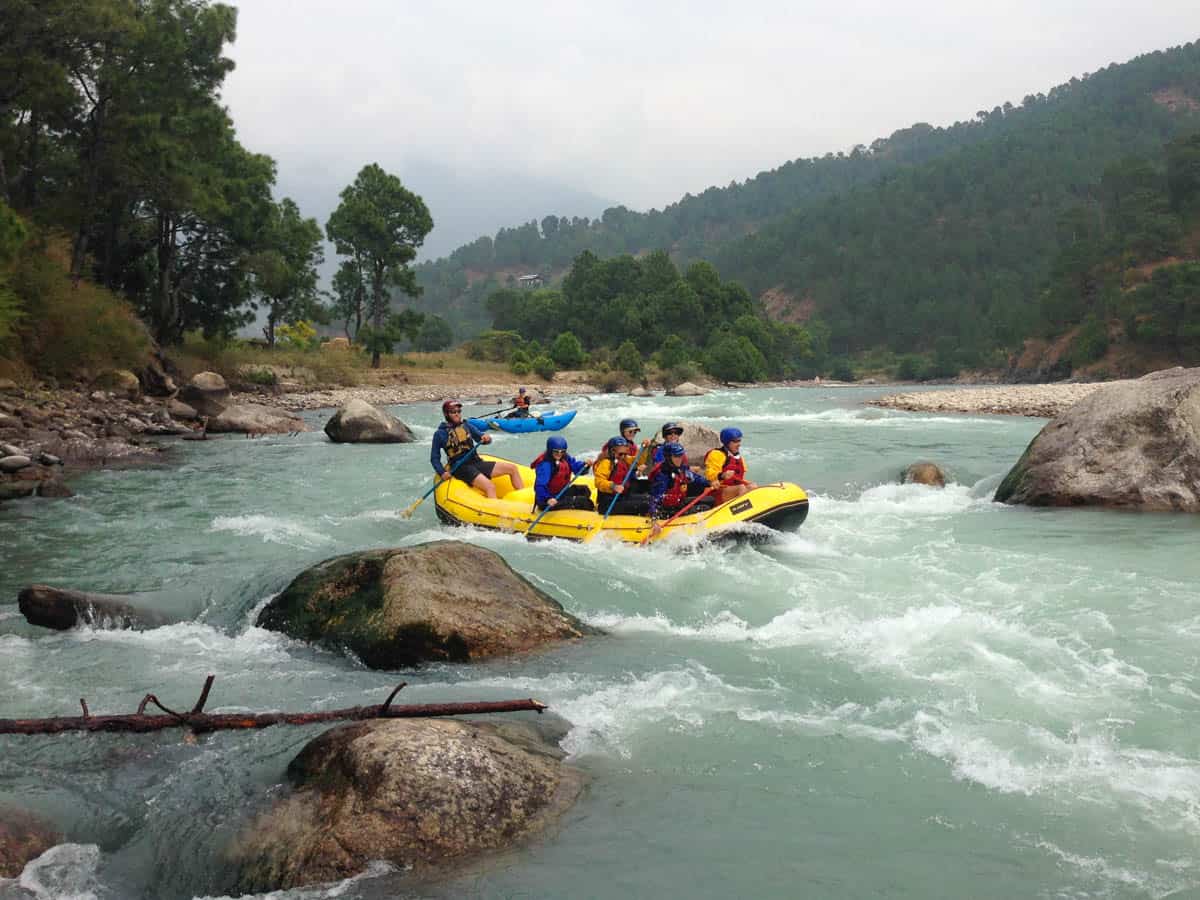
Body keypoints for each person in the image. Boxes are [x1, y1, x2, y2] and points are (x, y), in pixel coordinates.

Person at [430, 399, 524, 499]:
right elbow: (434, 458)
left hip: (476, 462)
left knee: (512, 468)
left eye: (459, 411)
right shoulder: (440, 434)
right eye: (453, 412)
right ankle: (494, 512)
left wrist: (487, 439)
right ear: (446, 414)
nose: (457, 414)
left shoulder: (466, 425)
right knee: (490, 487)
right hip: (460, 467)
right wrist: (442, 472)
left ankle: (524, 499)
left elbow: (481, 437)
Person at [647, 441, 710, 535]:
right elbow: (654, 499)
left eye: (681, 456)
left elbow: (695, 478)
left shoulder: (681, 469)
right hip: (668, 510)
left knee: (710, 500)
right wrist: (654, 521)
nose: (679, 459)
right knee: (705, 507)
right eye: (676, 456)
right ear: (668, 458)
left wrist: (710, 482)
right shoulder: (663, 476)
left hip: (679, 503)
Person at [531, 436, 593, 511]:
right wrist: (548, 499)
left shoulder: (565, 457)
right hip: (547, 501)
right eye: (556, 451)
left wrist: (584, 465)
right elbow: (540, 485)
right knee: (583, 502)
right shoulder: (545, 465)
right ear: (550, 450)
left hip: (560, 493)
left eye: (562, 451)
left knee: (584, 490)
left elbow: (576, 467)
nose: (559, 454)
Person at [593, 436, 649, 515]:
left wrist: (644, 449)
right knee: (644, 506)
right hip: (607, 503)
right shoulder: (606, 463)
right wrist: (613, 486)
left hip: (621, 497)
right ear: (612, 451)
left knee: (649, 499)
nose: (623, 456)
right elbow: (598, 481)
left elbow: (637, 461)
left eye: (625, 454)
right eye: (620, 454)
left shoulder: (623, 459)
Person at [704, 427, 757, 504]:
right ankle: (740, 512)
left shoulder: (738, 458)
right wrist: (722, 475)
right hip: (717, 492)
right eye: (736, 441)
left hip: (733, 490)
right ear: (727, 442)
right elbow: (709, 474)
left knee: (753, 486)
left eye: (739, 441)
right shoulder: (716, 454)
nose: (739, 444)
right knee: (741, 488)